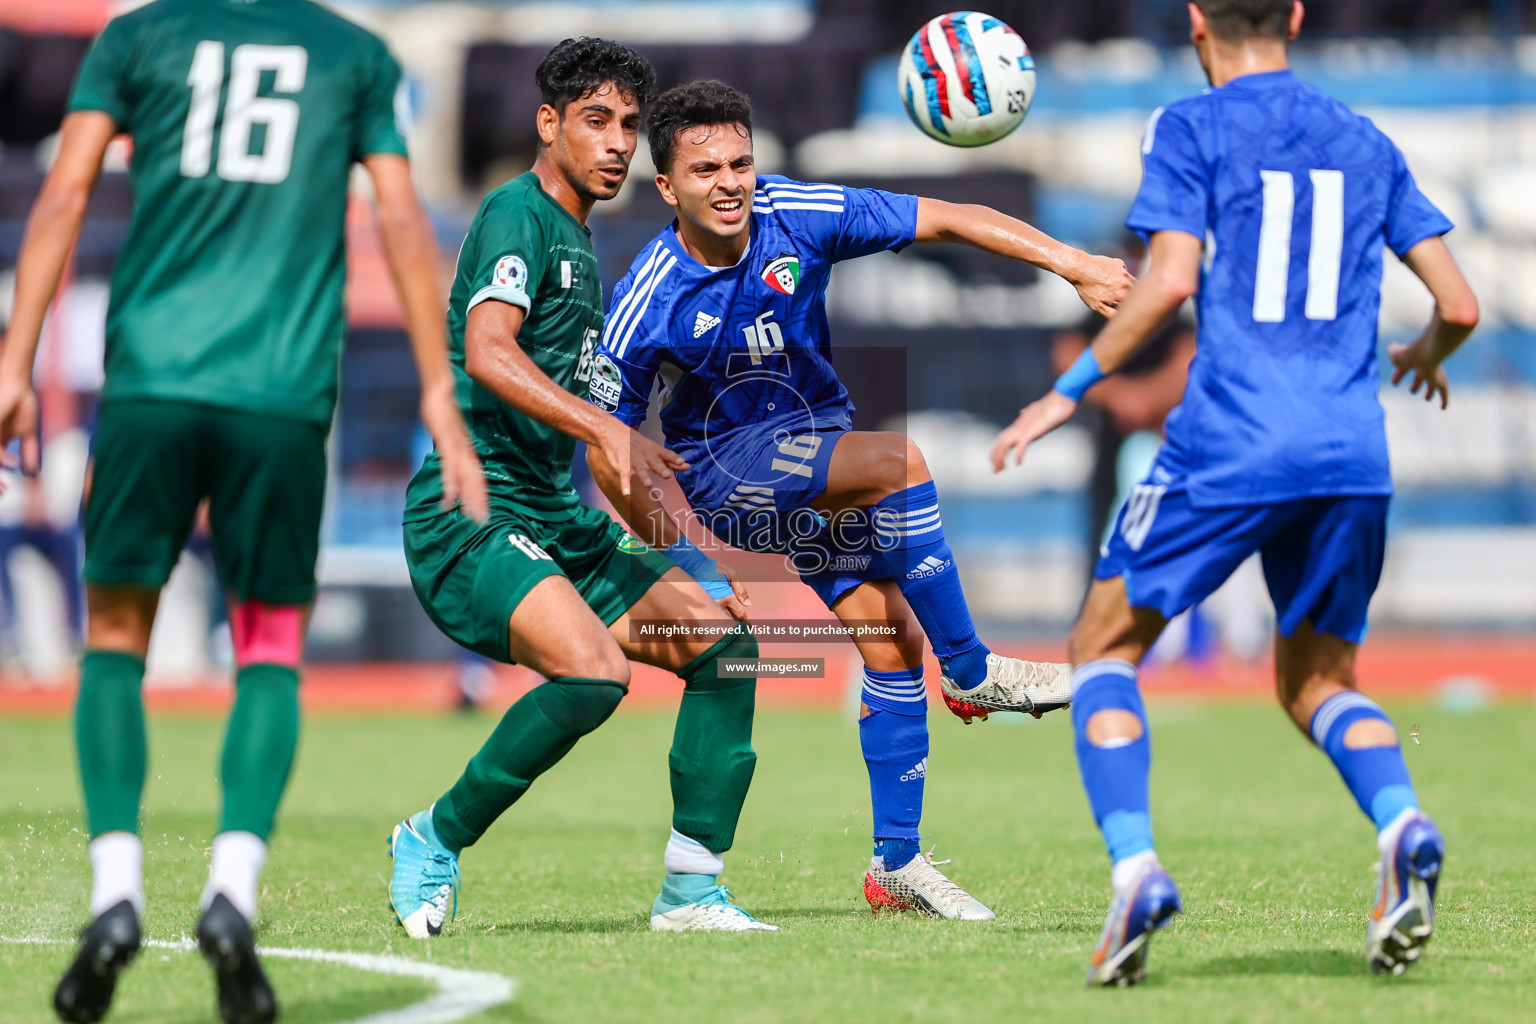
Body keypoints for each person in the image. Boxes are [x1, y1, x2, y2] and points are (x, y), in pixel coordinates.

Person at [0, 0, 488, 1019]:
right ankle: (230, 888)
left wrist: (13, 356)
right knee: (267, 644)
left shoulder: (138, 37)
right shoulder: (353, 52)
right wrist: (441, 392)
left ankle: (117, 890)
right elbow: (400, 217)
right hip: (280, 394)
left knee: (115, 638)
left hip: (151, 384)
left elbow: (66, 191)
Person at [989, 0, 1478, 986]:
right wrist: (1428, 351)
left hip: (1229, 442)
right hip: (1349, 452)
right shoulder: (1363, 136)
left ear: (1197, 20)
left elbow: (1168, 281)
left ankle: (1135, 869)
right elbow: (1461, 303)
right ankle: (1401, 820)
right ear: (1295, 15)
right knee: (1320, 683)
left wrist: (1067, 390)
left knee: (1101, 648)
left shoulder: (1191, 125)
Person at [586, 80, 1133, 919]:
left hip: (813, 452)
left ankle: (897, 865)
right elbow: (610, 454)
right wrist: (686, 556)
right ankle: (978, 672)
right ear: (667, 188)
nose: (729, 182)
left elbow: (947, 216)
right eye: (705, 170)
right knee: (899, 459)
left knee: (889, 639)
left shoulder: (796, 212)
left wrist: (1073, 263)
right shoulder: (650, 295)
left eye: (740, 162)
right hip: (727, 475)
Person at [385, 38, 777, 941]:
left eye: (631, 128)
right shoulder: (514, 215)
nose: (617, 144)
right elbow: (488, 353)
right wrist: (605, 424)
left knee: (727, 649)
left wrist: (686, 556)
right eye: (596, 122)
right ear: (548, 123)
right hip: (472, 516)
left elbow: (607, 456)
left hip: (552, 517)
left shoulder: (586, 250)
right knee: (593, 674)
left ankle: (691, 891)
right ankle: (431, 837)